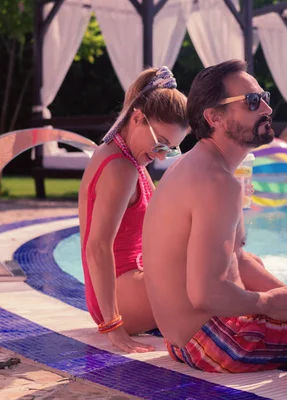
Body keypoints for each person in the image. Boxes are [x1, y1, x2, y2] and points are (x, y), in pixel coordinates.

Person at [142, 59, 287, 373]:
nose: (266, 108)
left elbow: (236, 258)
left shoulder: (194, 165)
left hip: (182, 339)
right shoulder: (216, 182)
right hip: (217, 341)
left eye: (264, 96)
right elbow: (205, 293)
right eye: (252, 101)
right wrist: (266, 304)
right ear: (214, 117)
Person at [78, 66, 188, 353]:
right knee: (220, 279)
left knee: (234, 264)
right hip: (120, 296)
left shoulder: (129, 157)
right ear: (137, 117)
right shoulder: (120, 168)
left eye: (171, 149)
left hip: (129, 285)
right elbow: (97, 248)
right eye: (161, 144)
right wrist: (113, 327)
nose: (162, 155)